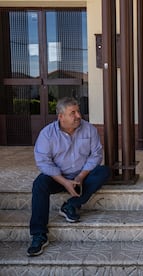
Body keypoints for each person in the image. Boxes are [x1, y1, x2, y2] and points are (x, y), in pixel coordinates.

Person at [27, 97, 110, 257]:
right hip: (59, 177)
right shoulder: (47, 134)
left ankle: (71, 205)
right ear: (61, 116)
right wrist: (65, 182)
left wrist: (80, 177)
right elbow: (43, 162)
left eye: (78, 111)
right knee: (39, 184)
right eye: (73, 113)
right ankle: (39, 234)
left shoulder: (89, 129)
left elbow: (96, 155)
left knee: (103, 171)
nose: (79, 115)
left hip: (82, 176)